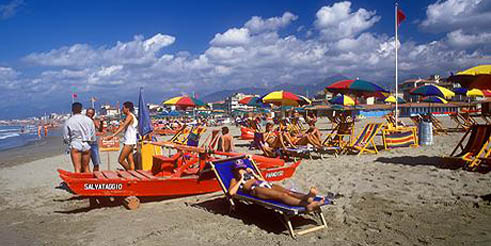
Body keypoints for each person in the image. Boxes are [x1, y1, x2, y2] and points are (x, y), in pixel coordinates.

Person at [228, 160, 324, 212]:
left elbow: (262, 180)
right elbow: (231, 193)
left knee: (288, 192)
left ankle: (307, 197)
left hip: (265, 184)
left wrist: (253, 173)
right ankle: (307, 205)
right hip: (256, 189)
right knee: (283, 196)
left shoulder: (251, 174)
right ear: (235, 171)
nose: (241, 170)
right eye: (239, 169)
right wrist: (241, 179)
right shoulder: (235, 179)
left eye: (243, 168)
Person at [63, 102, 96, 173]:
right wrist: (90, 141)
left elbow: (66, 137)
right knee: (86, 167)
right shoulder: (88, 120)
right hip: (86, 144)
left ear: (72, 110)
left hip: (75, 144)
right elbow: (93, 135)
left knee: (77, 168)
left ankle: (79, 183)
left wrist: (69, 142)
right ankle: (89, 183)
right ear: (81, 109)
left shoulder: (69, 121)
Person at [105, 101, 138, 170]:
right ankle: (132, 173)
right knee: (130, 159)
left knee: (121, 160)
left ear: (127, 109)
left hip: (129, 142)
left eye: (123, 108)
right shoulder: (132, 116)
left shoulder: (130, 116)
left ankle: (129, 172)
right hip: (131, 141)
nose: (122, 110)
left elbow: (123, 126)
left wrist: (113, 135)